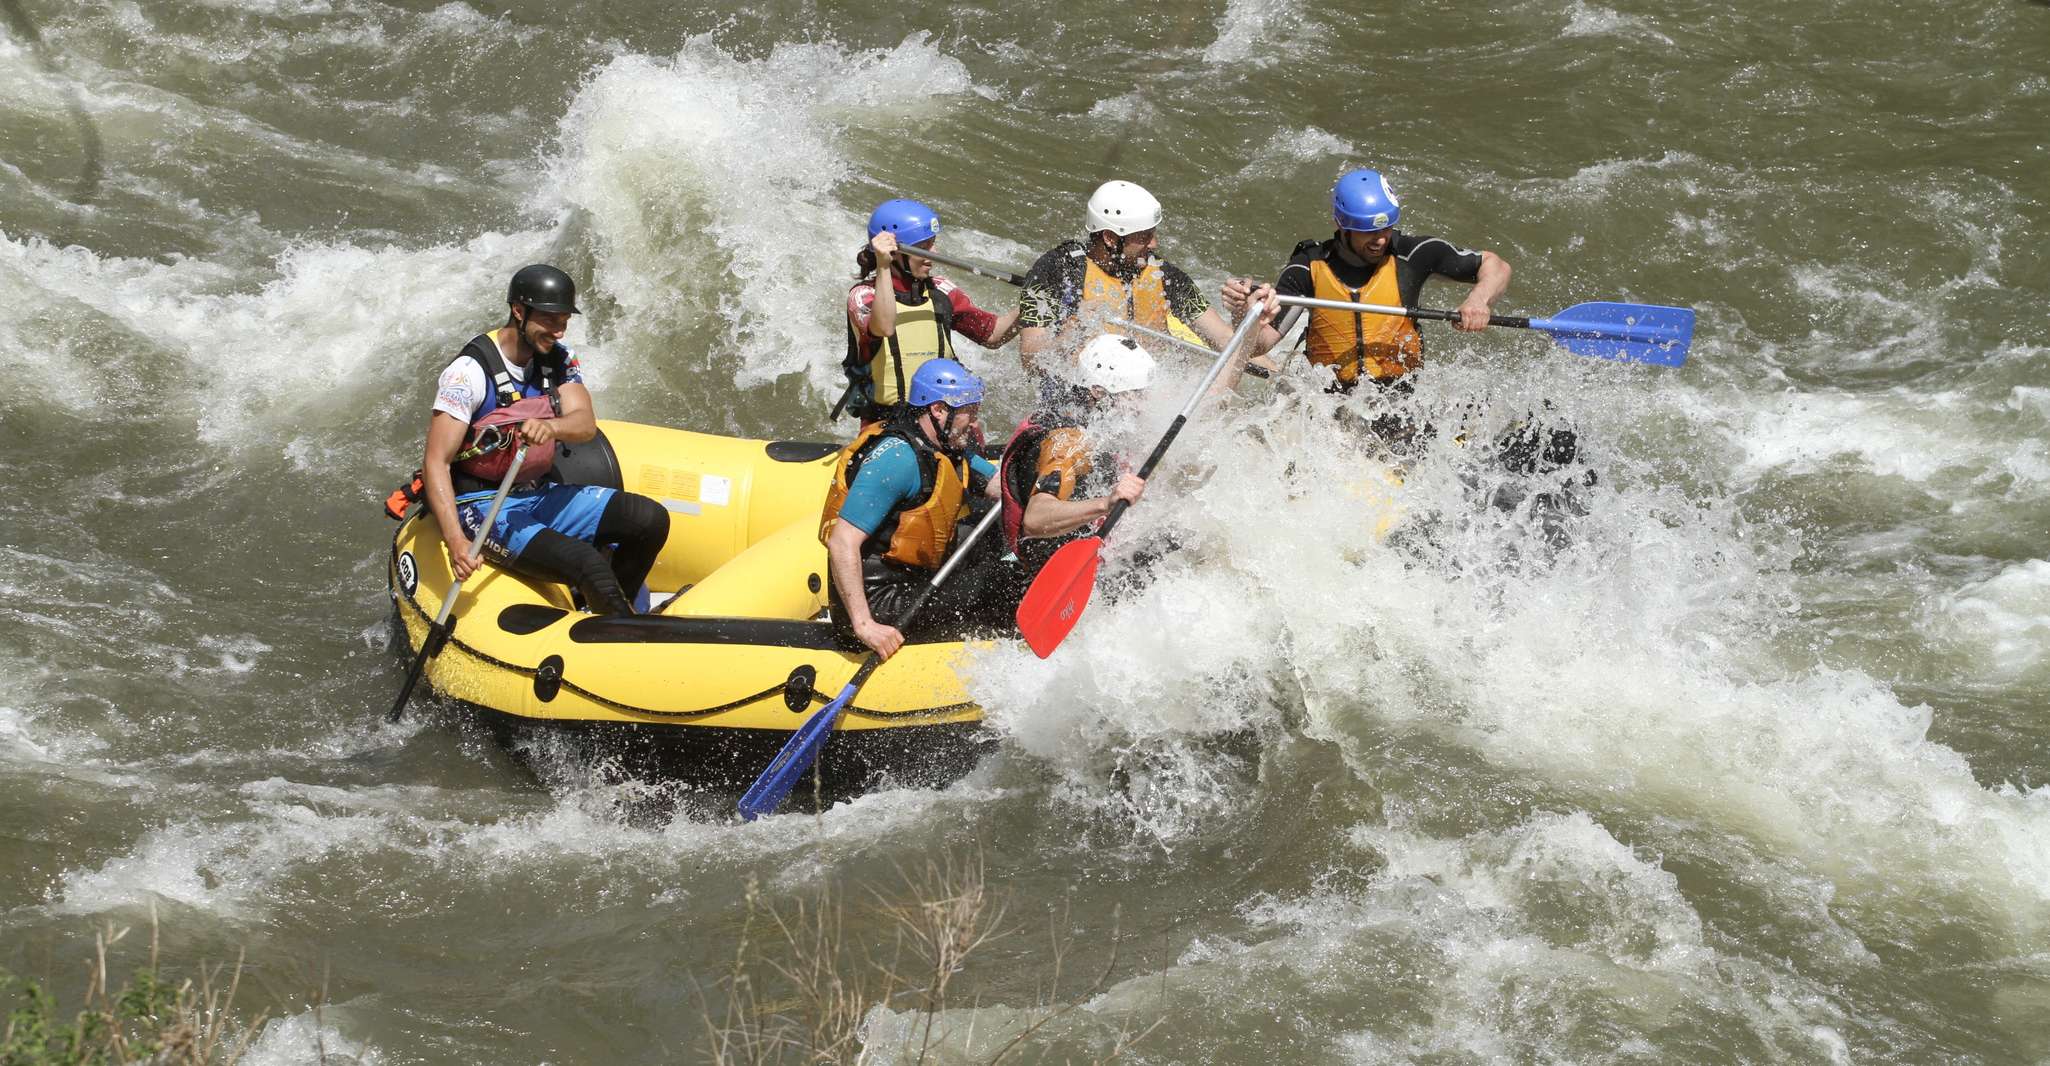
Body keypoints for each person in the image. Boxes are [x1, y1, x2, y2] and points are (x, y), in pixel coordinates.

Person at [413, 265, 670, 615]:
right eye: (549, 320)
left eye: (564, 320)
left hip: (538, 493)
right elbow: (436, 462)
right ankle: (617, 628)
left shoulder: (559, 358)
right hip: (482, 505)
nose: (558, 331)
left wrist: (552, 428)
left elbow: (585, 424)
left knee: (649, 519)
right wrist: (456, 540)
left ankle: (612, 610)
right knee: (588, 563)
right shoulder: (468, 372)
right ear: (519, 311)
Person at [1220, 167, 1512, 392]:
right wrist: (1246, 315)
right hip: (1326, 402)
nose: (1380, 240)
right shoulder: (1308, 267)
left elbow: (1496, 266)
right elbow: (1259, 347)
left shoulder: (1413, 255)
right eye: (1367, 231)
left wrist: (1478, 300)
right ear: (1341, 225)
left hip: (1400, 400)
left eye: (1386, 228)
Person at [818, 358, 1010, 660]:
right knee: (998, 583)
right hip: (879, 601)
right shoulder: (897, 459)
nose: (975, 423)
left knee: (992, 527)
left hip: (913, 579)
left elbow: (1001, 487)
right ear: (938, 409)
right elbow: (841, 542)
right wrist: (865, 625)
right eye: (969, 413)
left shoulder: (946, 447)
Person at [1014, 180, 1247, 383]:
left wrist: (1243, 315)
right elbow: (1031, 360)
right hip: (1084, 393)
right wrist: (1073, 330)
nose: (1154, 244)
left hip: (1150, 394)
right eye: (1144, 236)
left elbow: (1227, 341)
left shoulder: (1163, 275)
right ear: (1110, 237)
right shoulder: (1058, 270)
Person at [842, 199, 1019, 425]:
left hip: (942, 421)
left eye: (933, 244)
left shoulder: (941, 290)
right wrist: (883, 264)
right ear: (896, 252)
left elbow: (992, 334)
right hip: (887, 424)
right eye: (924, 247)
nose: (934, 253)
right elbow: (884, 326)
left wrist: (1036, 298)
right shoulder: (863, 296)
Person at [997, 335, 1155, 581]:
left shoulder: (1080, 420)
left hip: (1064, 554)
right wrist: (1107, 503)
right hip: (1034, 574)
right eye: (1133, 395)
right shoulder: (1068, 444)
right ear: (1098, 392)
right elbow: (1035, 518)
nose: (1141, 406)